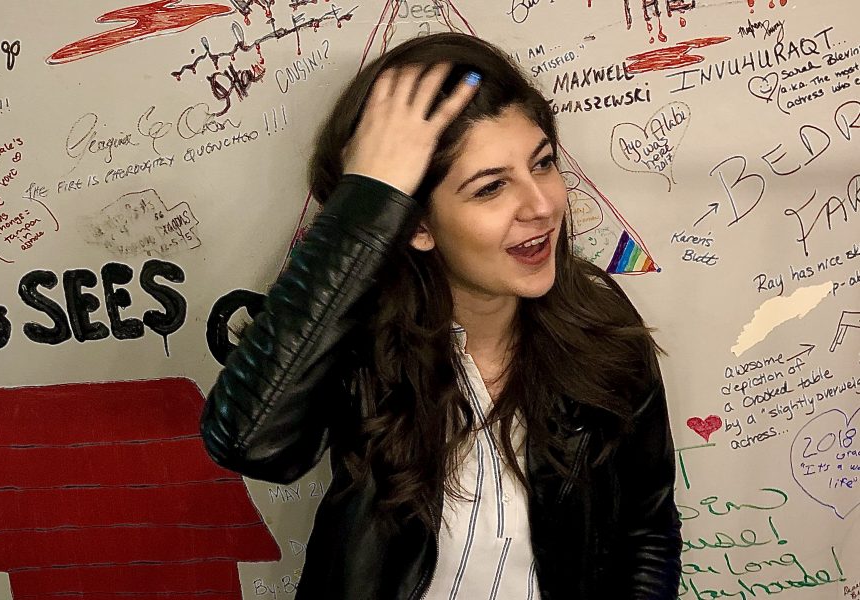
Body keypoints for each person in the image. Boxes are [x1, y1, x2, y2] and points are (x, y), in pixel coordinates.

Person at [201, 32, 681, 599]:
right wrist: (369, 198)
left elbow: (647, 531)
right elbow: (250, 442)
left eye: (543, 163)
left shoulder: (599, 325)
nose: (542, 205)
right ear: (419, 225)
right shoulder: (360, 339)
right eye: (491, 187)